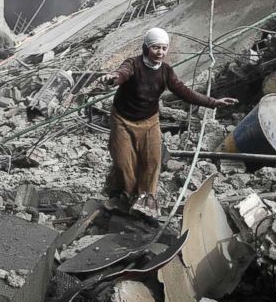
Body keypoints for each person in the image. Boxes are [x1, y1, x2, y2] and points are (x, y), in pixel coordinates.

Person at [100, 28, 237, 217]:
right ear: (146, 47)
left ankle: (145, 201)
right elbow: (122, 73)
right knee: (124, 162)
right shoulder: (134, 64)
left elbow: (184, 92)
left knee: (152, 161)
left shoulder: (166, 71)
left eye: (164, 48)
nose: (160, 53)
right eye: (156, 47)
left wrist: (213, 102)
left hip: (149, 121)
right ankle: (125, 196)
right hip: (122, 120)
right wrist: (112, 79)